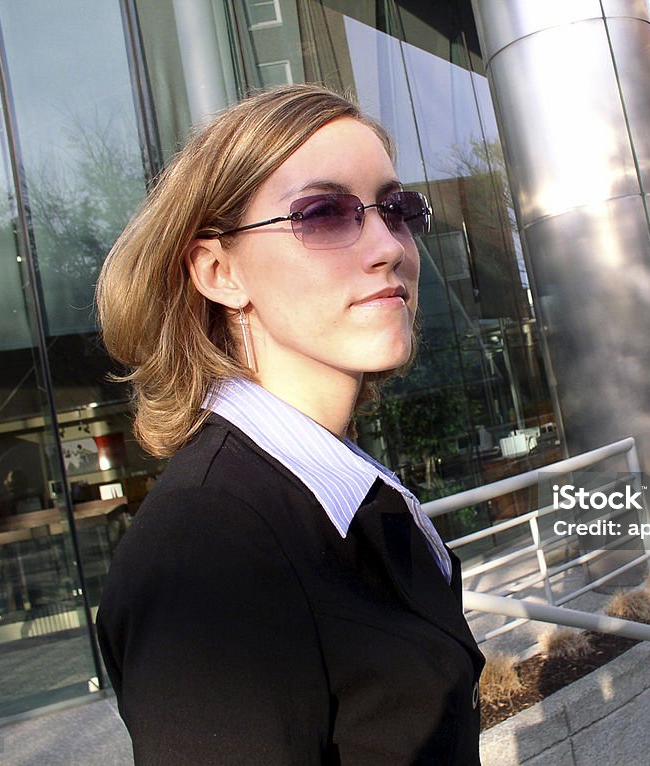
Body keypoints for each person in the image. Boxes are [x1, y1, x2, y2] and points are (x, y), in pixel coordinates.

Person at [94, 84, 483, 764]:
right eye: (324, 213)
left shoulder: (338, 490)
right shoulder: (208, 545)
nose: (388, 245)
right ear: (218, 270)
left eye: (396, 209)